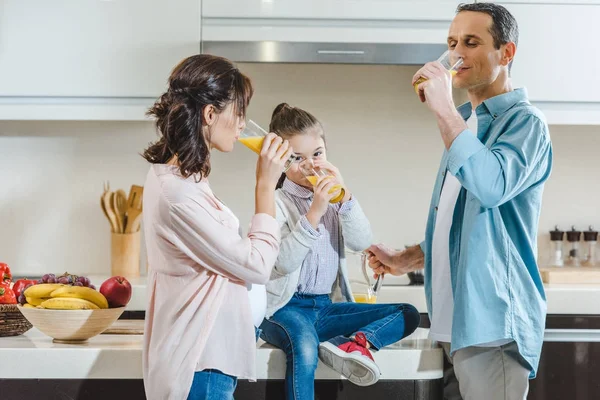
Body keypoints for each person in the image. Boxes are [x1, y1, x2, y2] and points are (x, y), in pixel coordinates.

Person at [368, 3, 552, 399]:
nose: (457, 54)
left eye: (471, 42)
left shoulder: (525, 123)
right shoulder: (468, 121)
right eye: (452, 43)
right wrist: (409, 257)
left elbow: (491, 186)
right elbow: (465, 224)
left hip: (494, 326)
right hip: (455, 325)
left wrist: (443, 108)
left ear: (506, 53)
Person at [141, 54, 293, 400]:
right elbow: (256, 266)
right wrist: (265, 185)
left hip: (208, 358)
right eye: (238, 113)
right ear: (210, 114)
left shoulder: (184, 178)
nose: (243, 125)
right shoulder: (178, 194)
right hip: (200, 361)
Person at [259, 103, 421, 400]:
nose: (310, 165)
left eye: (317, 154)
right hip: (284, 309)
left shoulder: (335, 200)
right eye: (297, 158)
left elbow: (361, 241)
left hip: (326, 307)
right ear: (280, 161)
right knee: (304, 348)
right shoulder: (277, 201)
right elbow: (281, 263)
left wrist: (344, 199)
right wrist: (313, 214)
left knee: (408, 314)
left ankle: (356, 344)